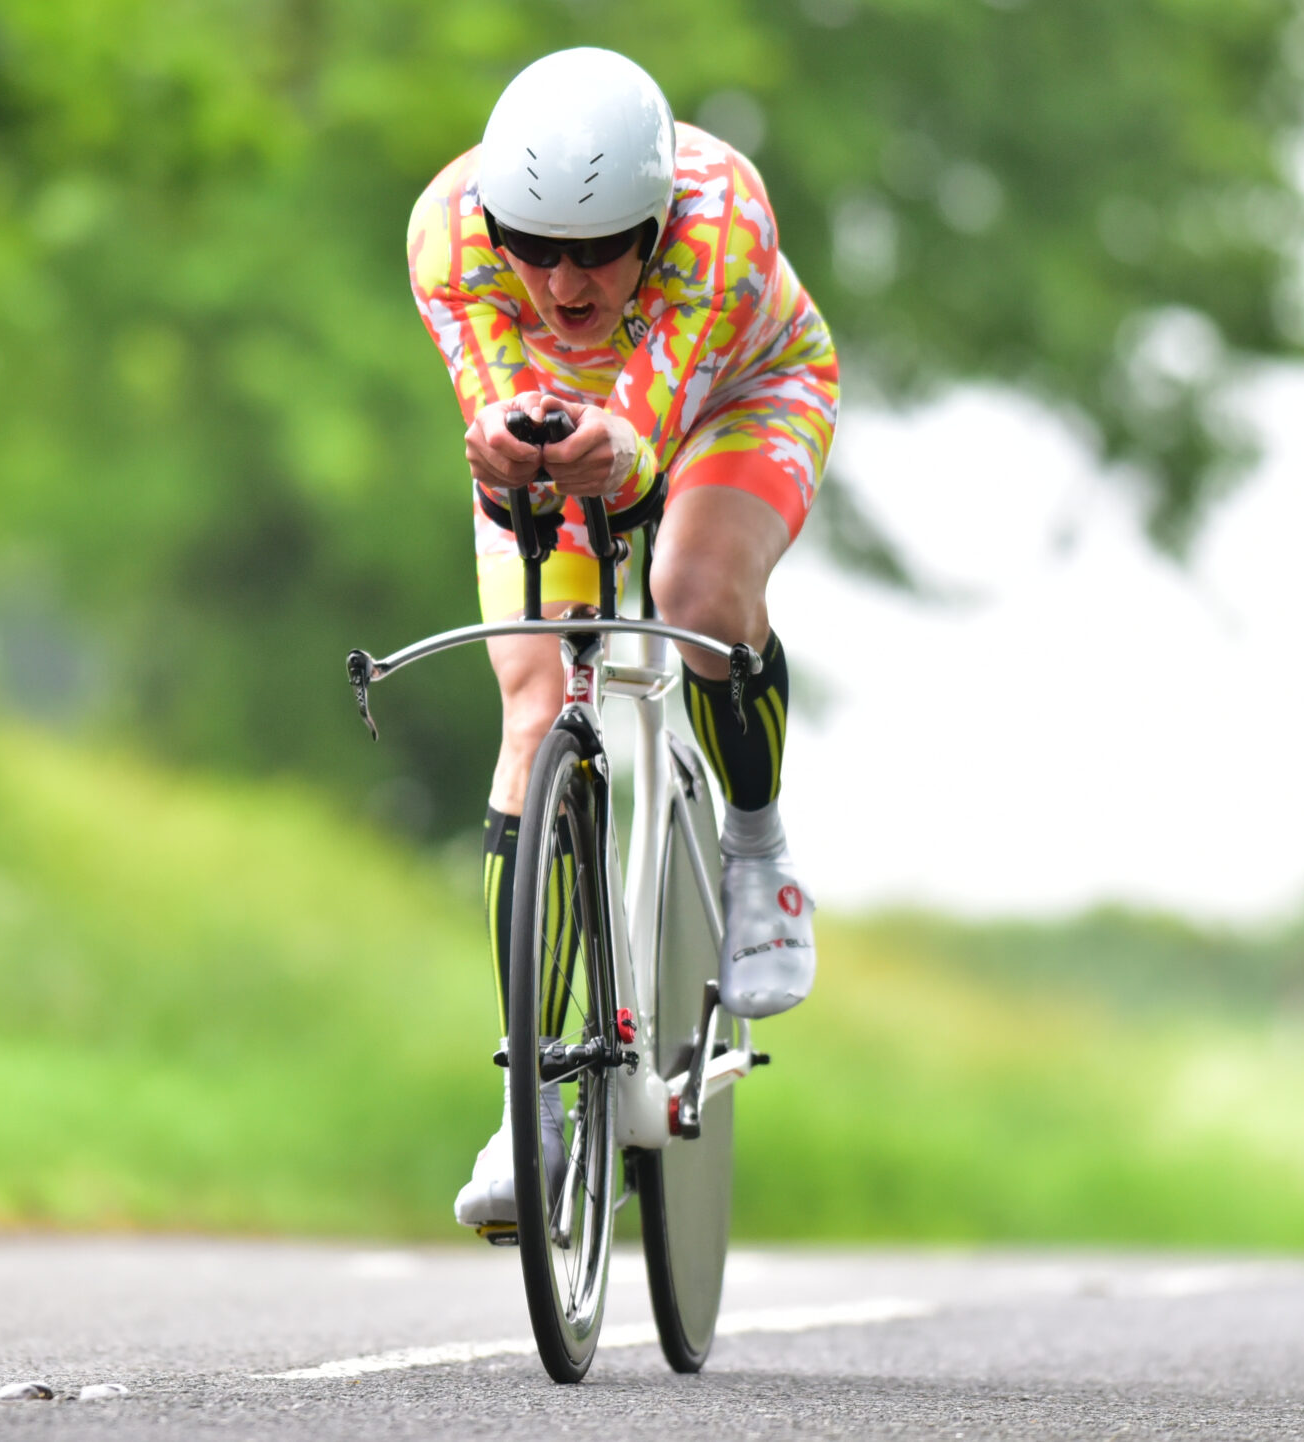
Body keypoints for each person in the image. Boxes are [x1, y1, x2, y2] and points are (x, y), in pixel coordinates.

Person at [405, 47, 838, 1231]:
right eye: (532, 244)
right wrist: (506, 452)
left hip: (739, 393)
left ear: (653, 225)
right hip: (569, 426)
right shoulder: (444, 234)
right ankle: (527, 1101)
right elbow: (494, 409)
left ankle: (756, 844)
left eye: (598, 247)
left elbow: (644, 435)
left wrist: (606, 455)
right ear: (491, 217)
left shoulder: (721, 218)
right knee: (534, 702)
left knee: (694, 595)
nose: (562, 278)